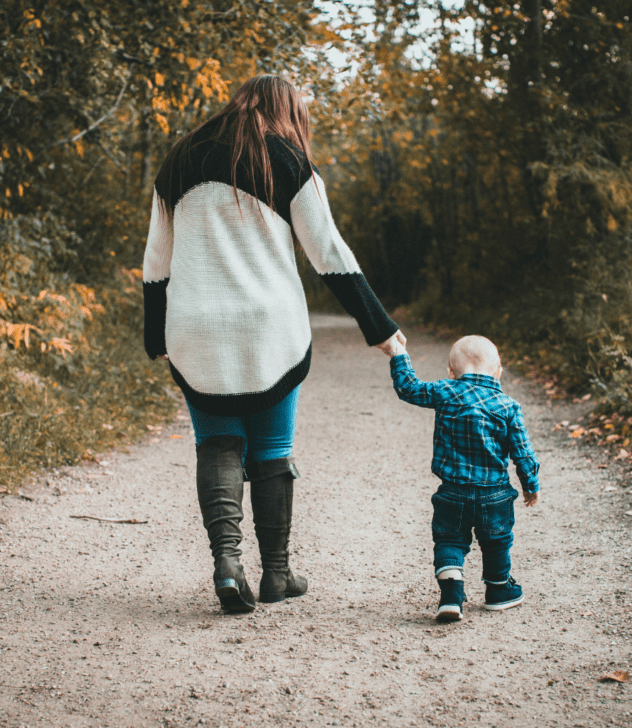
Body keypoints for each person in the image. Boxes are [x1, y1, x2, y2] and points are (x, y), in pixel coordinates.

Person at [142, 74, 406, 613]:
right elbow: (328, 251)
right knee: (272, 447)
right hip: (270, 328)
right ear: (286, 111)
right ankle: (277, 574)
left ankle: (227, 565)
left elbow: (156, 261)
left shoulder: (179, 158)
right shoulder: (286, 160)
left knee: (217, 442)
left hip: (194, 324)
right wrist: (378, 326)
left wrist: (156, 335)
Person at [388, 334, 540, 622]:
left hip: (452, 492)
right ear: (498, 371)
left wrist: (398, 354)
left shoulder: (445, 391)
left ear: (450, 371)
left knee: (449, 540)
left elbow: (408, 388)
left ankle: (450, 596)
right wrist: (531, 485)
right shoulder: (508, 406)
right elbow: (523, 451)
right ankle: (497, 591)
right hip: (494, 495)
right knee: (497, 541)